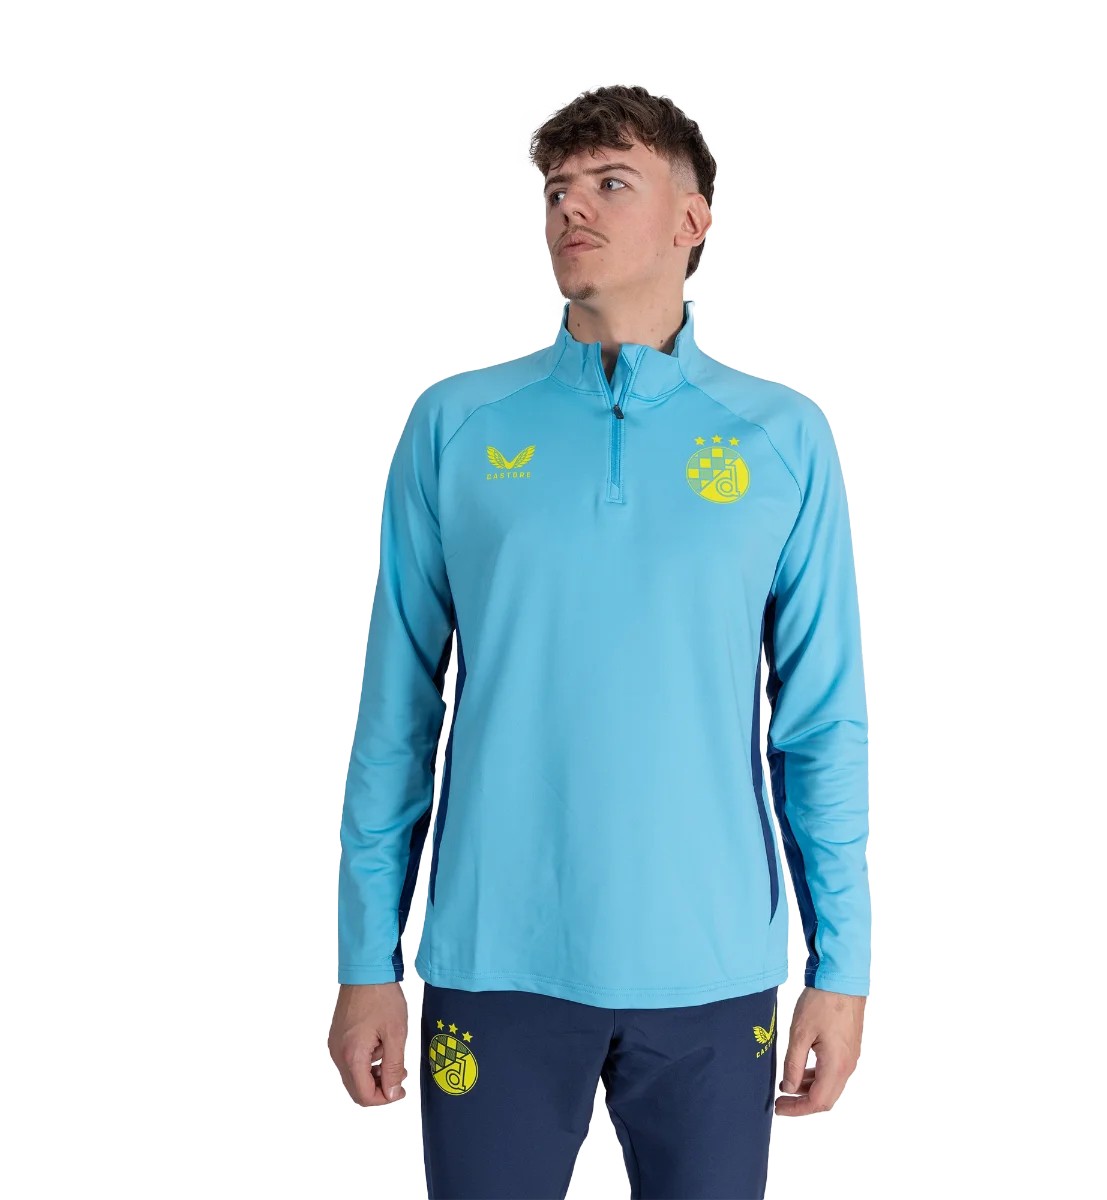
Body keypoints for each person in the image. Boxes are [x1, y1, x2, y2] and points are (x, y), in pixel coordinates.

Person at [328, 83, 871, 1199]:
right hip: (496, 965)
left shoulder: (782, 438)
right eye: (556, 190)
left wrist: (844, 966)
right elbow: (396, 714)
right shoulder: (457, 426)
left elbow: (821, 725)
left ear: (692, 218)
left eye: (610, 183)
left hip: (712, 973)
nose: (571, 207)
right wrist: (363, 958)